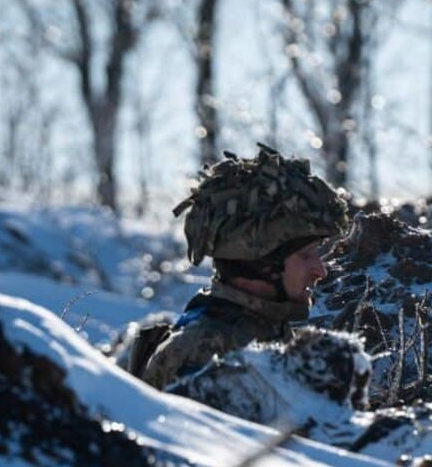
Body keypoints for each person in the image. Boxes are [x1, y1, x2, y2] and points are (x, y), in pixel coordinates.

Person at [135, 145, 350, 390]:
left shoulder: (265, 331)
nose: (320, 271)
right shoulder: (202, 352)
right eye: (305, 255)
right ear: (260, 262)